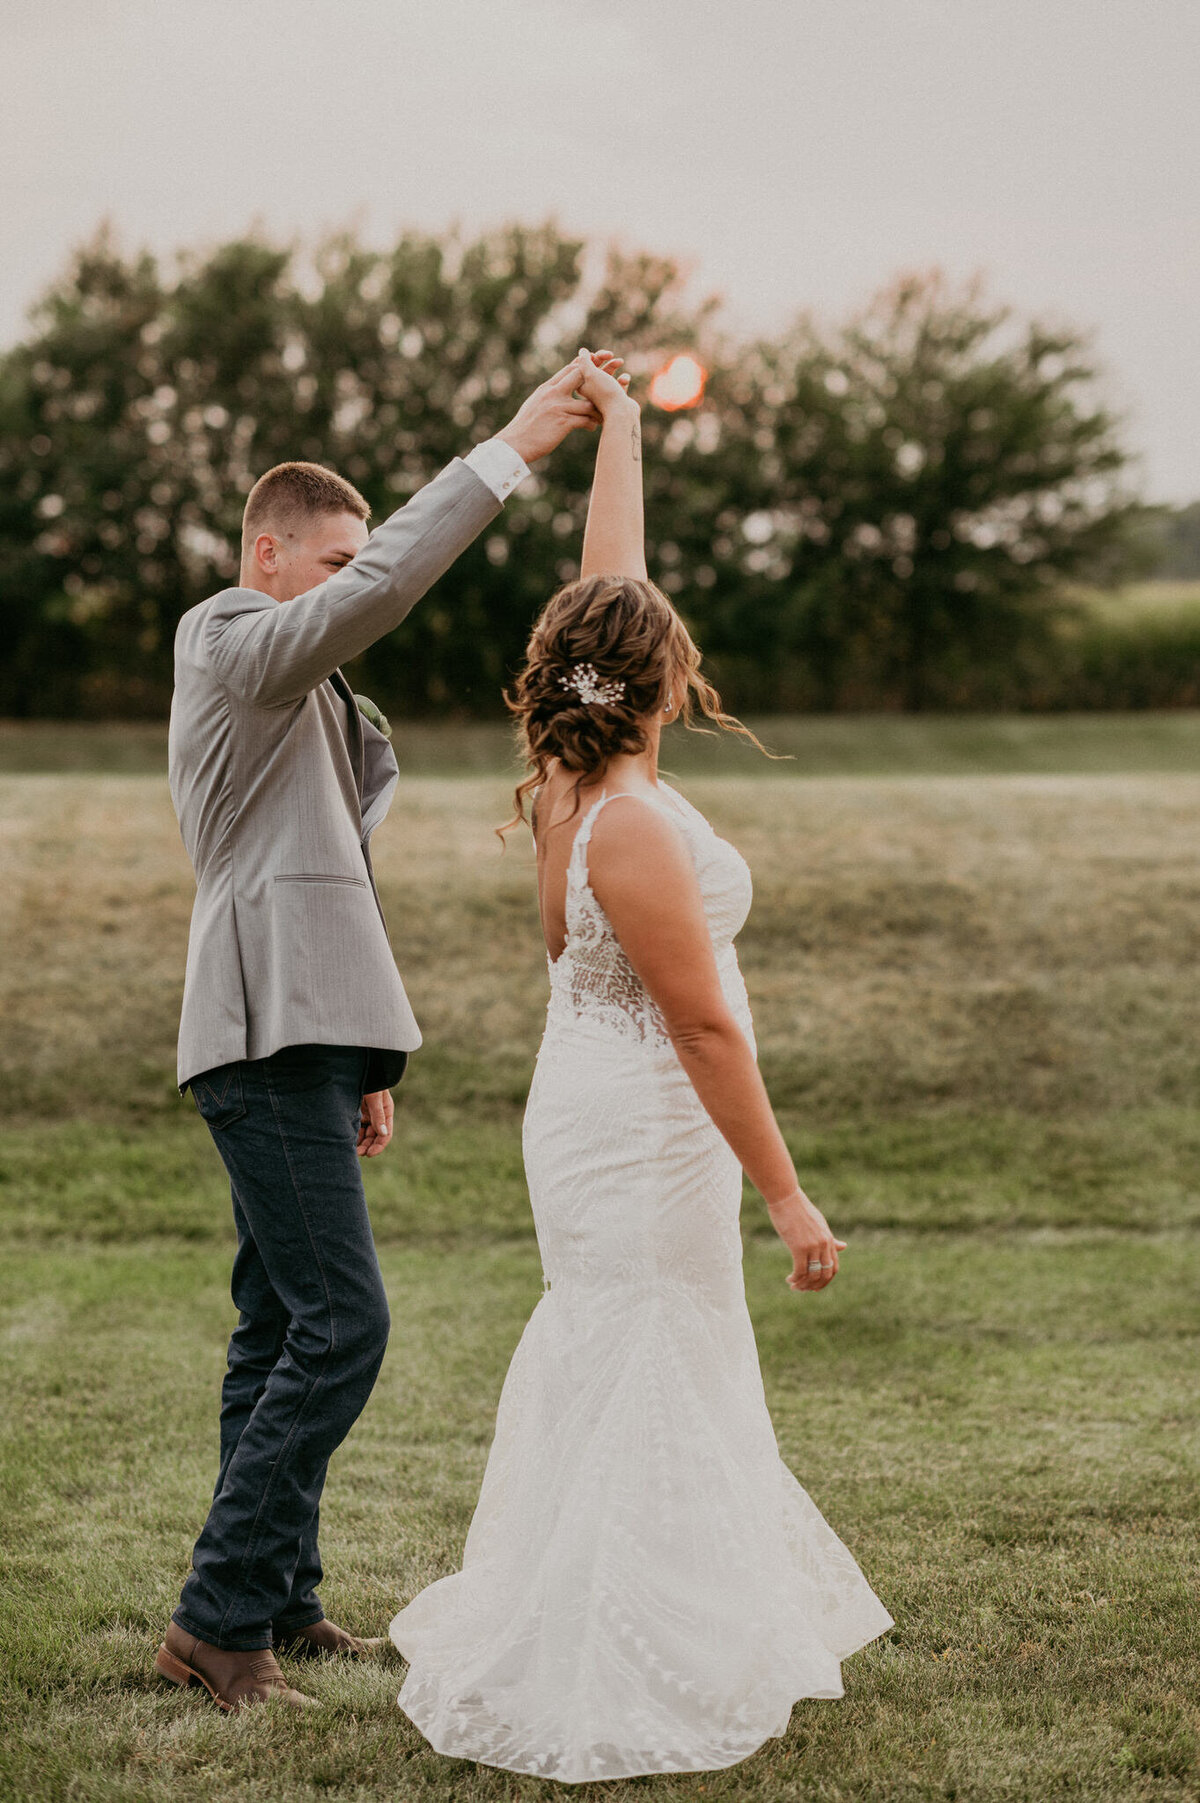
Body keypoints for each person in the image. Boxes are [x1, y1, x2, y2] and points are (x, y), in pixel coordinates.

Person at [389, 352, 894, 1782]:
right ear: (659, 677)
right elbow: (709, 1029)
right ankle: (614, 1650)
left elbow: (613, 583)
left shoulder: (577, 783)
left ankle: (670, 1610)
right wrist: (789, 1197)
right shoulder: (637, 827)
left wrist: (619, 434)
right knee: (647, 1353)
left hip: (593, 1108)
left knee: (637, 1342)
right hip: (642, 1116)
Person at [156, 353, 628, 1714]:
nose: (360, 578)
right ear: (269, 552)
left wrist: (366, 1061)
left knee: (276, 1325)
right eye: (339, 559)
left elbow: (332, 876)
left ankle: (278, 1600)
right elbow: (378, 595)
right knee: (343, 1324)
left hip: (305, 1036)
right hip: (254, 1032)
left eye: (364, 556)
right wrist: (514, 448)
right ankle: (215, 1624)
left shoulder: (309, 698)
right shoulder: (228, 639)